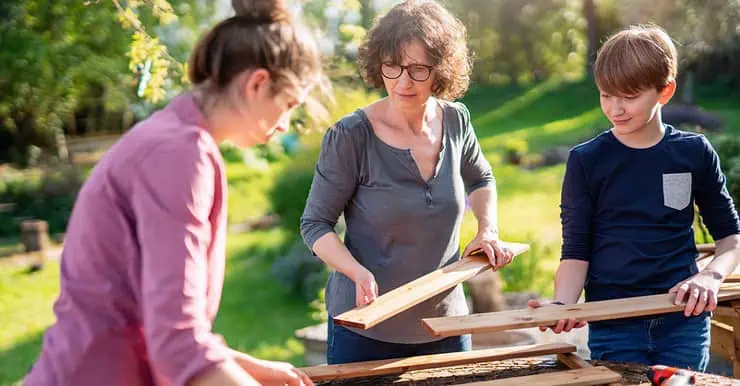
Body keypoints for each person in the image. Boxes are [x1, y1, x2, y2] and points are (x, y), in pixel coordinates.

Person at [24, 0, 326, 385]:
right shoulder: (181, 153)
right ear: (257, 83)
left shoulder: (171, 138)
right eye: (288, 105)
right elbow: (177, 344)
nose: (284, 125)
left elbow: (155, 322)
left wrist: (248, 369)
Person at [299, 0, 514, 365]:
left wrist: (487, 230)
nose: (402, 82)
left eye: (417, 69)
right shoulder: (351, 136)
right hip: (366, 328)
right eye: (392, 67)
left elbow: (481, 177)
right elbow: (314, 225)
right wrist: (356, 271)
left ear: (441, 69)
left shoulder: (457, 120)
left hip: (445, 325)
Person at [529, 25, 740, 371]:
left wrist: (710, 277)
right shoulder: (586, 161)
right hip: (615, 325)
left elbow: (731, 239)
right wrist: (562, 305)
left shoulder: (694, 153)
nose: (616, 109)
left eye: (629, 96)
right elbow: (575, 251)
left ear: (665, 91)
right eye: (606, 95)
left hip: (683, 322)